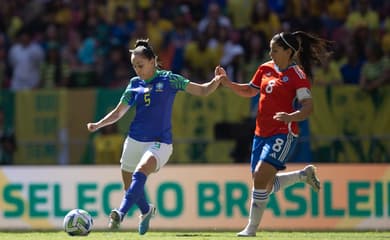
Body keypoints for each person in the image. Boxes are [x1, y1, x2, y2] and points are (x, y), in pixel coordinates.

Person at [86, 39, 223, 235]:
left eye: (140, 65)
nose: (137, 70)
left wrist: (215, 81)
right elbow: (118, 113)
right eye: (134, 66)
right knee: (130, 188)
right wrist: (99, 124)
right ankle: (146, 210)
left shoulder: (170, 79)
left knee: (140, 172)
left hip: (160, 143)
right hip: (133, 140)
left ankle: (120, 213)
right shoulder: (134, 84)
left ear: (153, 61)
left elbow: (202, 90)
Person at [219, 31, 331, 237]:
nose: (270, 53)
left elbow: (308, 107)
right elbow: (250, 91)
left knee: (261, 176)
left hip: (283, 132)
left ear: (289, 52)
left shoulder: (297, 75)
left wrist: (291, 117)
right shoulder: (265, 68)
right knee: (264, 183)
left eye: (275, 50)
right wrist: (228, 83)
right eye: (270, 49)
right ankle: (302, 176)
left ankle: (251, 229)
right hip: (260, 133)